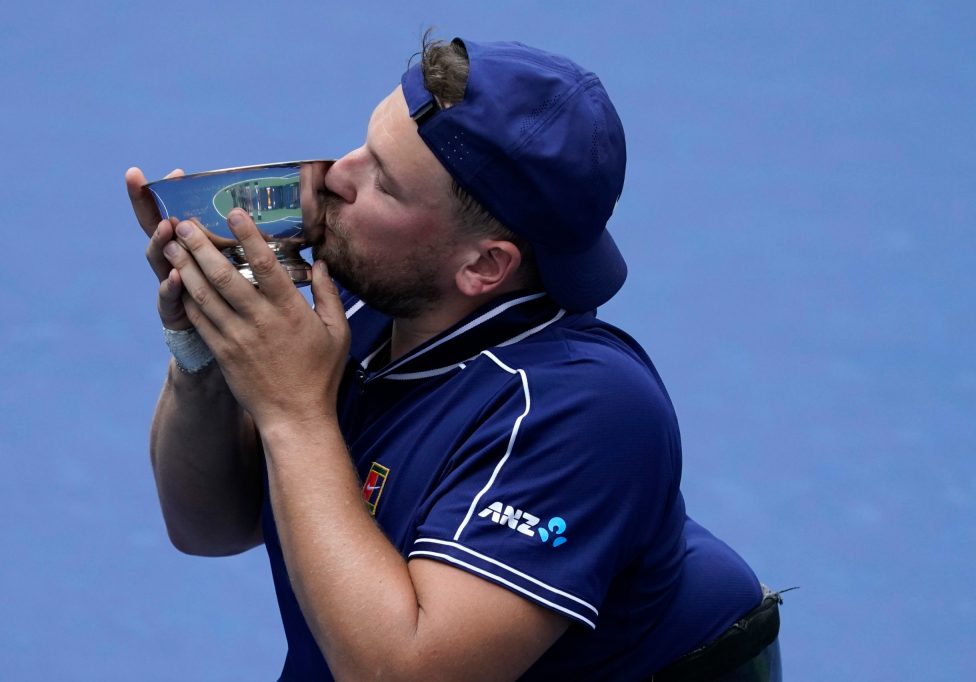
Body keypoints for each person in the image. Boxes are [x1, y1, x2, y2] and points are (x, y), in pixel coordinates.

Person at [126, 35, 781, 681]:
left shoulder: (589, 412)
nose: (334, 176)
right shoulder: (365, 307)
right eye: (365, 145)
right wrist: (203, 353)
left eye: (383, 180)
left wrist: (295, 411)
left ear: (483, 265)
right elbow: (207, 525)